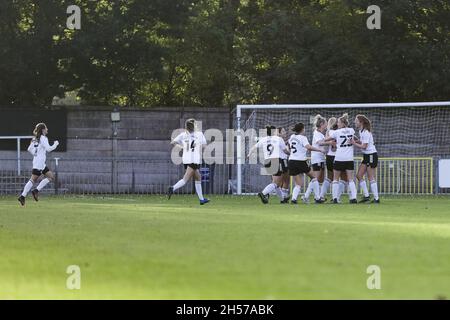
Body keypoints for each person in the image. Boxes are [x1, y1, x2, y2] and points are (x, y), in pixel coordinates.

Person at [168, 119, 210, 205]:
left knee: (198, 177)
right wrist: (199, 146)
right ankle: (172, 188)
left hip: (186, 159)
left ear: (186, 127)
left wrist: (182, 147)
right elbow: (205, 146)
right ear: (194, 125)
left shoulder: (183, 135)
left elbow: (173, 142)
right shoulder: (199, 134)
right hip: (194, 159)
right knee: (185, 179)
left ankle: (202, 199)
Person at [18, 123, 59, 206]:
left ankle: (35, 191)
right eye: (46, 128)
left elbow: (29, 149)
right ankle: (22, 196)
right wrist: (56, 144)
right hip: (39, 163)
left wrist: (36, 154)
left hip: (39, 162)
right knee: (33, 179)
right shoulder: (43, 138)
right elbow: (49, 149)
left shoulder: (35, 138)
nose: (47, 129)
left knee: (51, 177)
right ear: (43, 129)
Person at [247, 125, 290, 204]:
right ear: (274, 132)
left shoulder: (264, 139)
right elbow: (285, 151)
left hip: (267, 161)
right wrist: (290, 153)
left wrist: (249, 154)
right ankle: (263, 193)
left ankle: (282, 199)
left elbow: (254, 147)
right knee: (276, 183)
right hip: (276, 160)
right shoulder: (278, 139)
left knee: (275, 182)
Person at [287, 123, 326, 204]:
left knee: (298, 183)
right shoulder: (303, 137)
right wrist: (320, 150)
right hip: (300, 161)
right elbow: (308, 147)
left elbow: (289, 146)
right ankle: (317, 197)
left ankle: (294, 199)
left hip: (291, 161)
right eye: (304, 128)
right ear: (302, 129)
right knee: (314, 177)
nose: (304, 130)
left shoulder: (292, 137)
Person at [324, 113, 358, 204]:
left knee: (335, 179)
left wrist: (328, 132)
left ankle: (335, 198)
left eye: (338, 122)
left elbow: (326, 139)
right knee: (350, 179)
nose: (337, 124)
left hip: (339, 158)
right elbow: (356, 139)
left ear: (343, 124)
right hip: (349, 158)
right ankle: (354, 198)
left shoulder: (336, 132)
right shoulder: (351, 130)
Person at [352, 115, 380, 203]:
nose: (355, 122)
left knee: (371, 177)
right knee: (359, 175)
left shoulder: (366, 132)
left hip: (371, 155)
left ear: (361, 122)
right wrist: (357, 140)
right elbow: (362, 142)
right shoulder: (361, 131)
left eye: (356, 121)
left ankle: (376, 198)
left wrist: (354, 143)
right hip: (366, 156)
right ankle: (366, 196)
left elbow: (364, 146)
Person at [302, 115, 328, 203]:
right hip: (316, 158)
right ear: (321, 124)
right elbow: (320, 143)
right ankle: (309, 196)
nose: (326, 125)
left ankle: (316, 196)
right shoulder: (316, 133)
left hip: (321, 158)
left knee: (320, 179)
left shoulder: (321, 134)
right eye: (325, 123)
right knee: (315, 178)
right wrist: (330, 142)